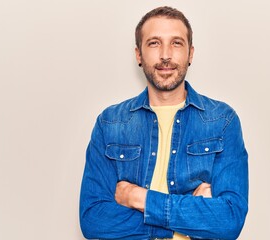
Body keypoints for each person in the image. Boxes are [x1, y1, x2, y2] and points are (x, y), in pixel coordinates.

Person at [80, 6, 248, 240]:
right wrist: (188, 219)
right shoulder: (110, 123)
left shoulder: (222, 121)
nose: (165, 55)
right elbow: (93, 220)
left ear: (190, 53)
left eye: (176, 43)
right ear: (139, 54)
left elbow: (229, 220)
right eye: (154, 43)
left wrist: (138, 198)